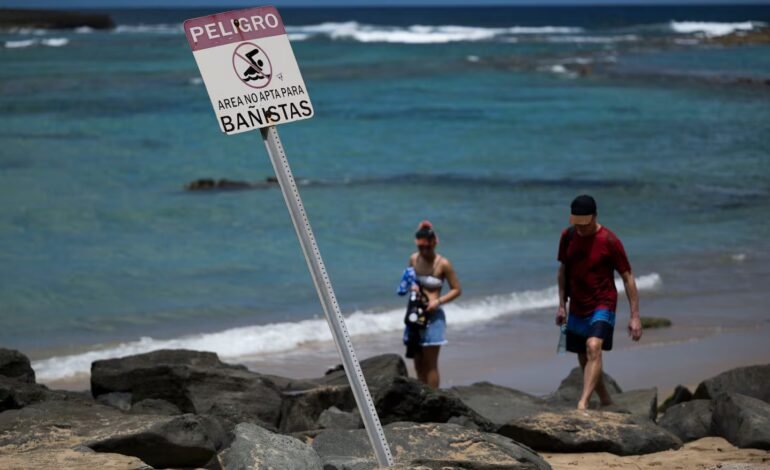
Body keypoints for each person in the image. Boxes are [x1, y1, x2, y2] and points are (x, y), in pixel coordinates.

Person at [555, 195, 642, 410]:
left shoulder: (609, 241)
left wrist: (635, 316)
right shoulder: (567, 236)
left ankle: (582, 404)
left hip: (603, 302)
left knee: (594, 346)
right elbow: (563, 271)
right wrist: (561, 305)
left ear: (594, 217)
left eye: (585, 224)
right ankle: (605, 399)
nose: (581, 229)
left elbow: (628, 276)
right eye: (577, 224)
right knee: (584, 355)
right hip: (577, 304)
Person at [402, 220, 461, 389]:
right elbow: (407, 280)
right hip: (415, 314)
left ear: (435, 243)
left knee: (430, 363)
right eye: (421, 248)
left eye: (427, 247)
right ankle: (421, 395)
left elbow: (457, 289)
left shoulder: (443, 264)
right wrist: (410, 286)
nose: (424, 251)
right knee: (418, 361)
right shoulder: (414, 259)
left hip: (433, 316)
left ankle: (433, 397)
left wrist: (438, 301)